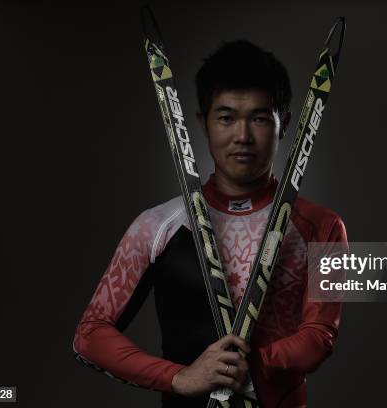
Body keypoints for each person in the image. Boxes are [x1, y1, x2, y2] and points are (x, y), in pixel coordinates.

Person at [73, 40, 347, 408]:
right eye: (226, 117)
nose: (243, 136)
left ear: (284, 124)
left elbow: (320, 337)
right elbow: (90, 336)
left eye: (260, 118)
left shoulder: (322, 226)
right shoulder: (157, 227)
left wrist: (253, 366)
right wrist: (179, 377)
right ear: (203, 123)